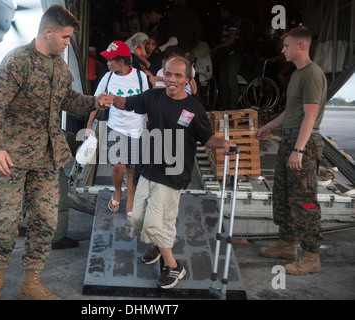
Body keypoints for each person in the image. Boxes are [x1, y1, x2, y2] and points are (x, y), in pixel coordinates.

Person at [0, 5, 111, 300]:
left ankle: (30, 284)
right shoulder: (18, 61)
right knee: (8, 222)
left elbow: (69, 100)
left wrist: (94, 101)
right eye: (64, 37)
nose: (67, 42)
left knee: (45, 222)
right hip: (11, 158)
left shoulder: (60, 67)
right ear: (48, 32)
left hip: (47, 159)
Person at [111, 56, 236, 289]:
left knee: (155, 222)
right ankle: (159, 246)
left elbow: (207, 139)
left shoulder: (194, 109)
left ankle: (173, 265)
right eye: (168, 74)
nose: (172, 79)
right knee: (137, 218)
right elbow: (126, 103)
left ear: (187, 79)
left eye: (178, 75)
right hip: (148, 168)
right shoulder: (153, 96)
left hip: (173, 174)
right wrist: (109, 99)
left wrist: (223, 143)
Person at [255, 26, 327, 275]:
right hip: (290, 141)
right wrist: (268, 126)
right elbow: (291, 112)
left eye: (286, 45)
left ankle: (310, 256)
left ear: (301, 46)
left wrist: (299, 149)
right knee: (283, 196)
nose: (282, 50)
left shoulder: (312, 74)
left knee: (304, 201)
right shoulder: (297, 74)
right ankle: (287, 244)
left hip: (302, 143)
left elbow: (311, 115)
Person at [86, 41, 149, 217]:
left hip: (137, 130)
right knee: (118, 167)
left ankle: (130, 198)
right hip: (116, 128)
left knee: (132, 169)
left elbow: (146, 102)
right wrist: (89, 125)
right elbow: (96, 102)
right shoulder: (107, 78)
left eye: (110, 60)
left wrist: (150, 123)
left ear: (121, 61)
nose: (107, 63)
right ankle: (117, 191)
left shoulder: (139, 76)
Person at [212, 2, 242, 110]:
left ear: (225, 11)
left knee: (231, 81)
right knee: (223, 81)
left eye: (221, 10)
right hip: (225, 55)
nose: (220, 13)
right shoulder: (225, 22)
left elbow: (231, 40)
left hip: (232, 54)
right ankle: (224, 106)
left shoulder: (232, 22)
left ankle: (233, 106)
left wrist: (218, 46)